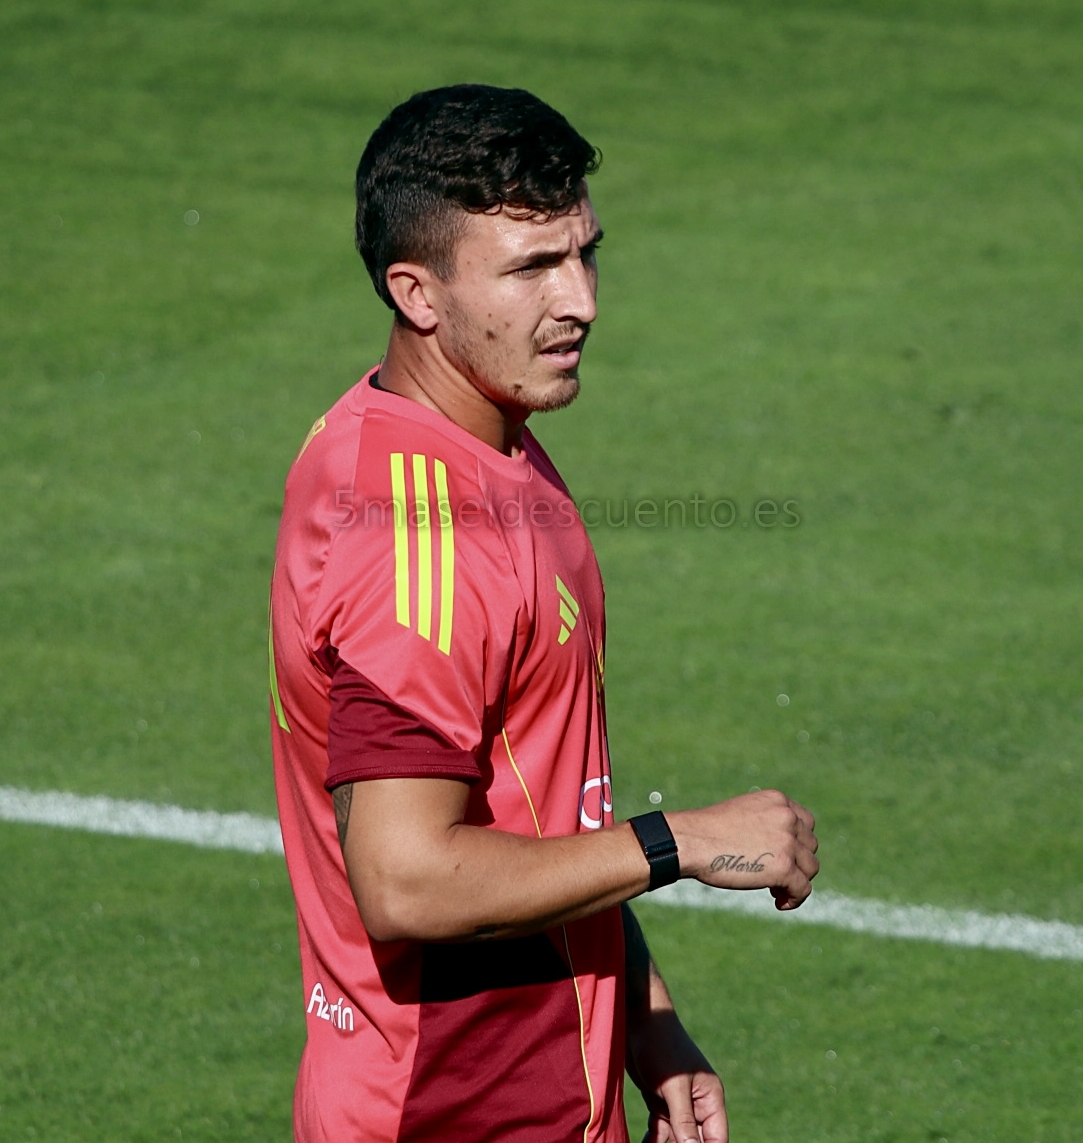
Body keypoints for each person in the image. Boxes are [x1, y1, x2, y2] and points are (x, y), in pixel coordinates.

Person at [267, 84, 820, 1143]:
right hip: (452, 1112)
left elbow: (535, 809)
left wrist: (644, 1020)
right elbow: (404, 876)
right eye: (530, 269)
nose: (581, 301)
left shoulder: (482, 439)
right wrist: (682, 841)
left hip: (541, 1094)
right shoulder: (418, 541)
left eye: (583, 253)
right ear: (417, 293)